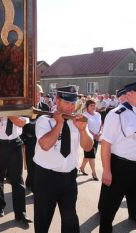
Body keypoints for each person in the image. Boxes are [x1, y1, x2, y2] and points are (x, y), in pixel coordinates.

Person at [33, 85, 93, 233]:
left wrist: (83, 130)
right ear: (58, 100)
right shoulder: (44, 120)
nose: (70, 107)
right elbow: (45, 145)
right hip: (46, 178)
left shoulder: (77, 121)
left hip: (69, 178)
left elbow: (88, 147)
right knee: (43, 219)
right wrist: (59, 123)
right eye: (67, 103)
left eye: (73, 103)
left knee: (70, 220)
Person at [99, 82, 136, 233]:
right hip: (120, 167)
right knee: (109, 209)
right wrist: (106, 170)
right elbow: (106, 144)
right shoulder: (116, 114)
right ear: (130, 94)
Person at [0, 110, 31, 227]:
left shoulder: (19, 105)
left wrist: (10, 113)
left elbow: (21, 122)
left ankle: (21, 213)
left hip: (15, 144)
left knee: (17, 180)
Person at [22, 84, 49, 192]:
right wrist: (23, 140)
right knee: (30, 163)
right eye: (35, 94)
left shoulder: (45, 107)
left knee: (40, 163)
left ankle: (31, 182)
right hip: (30, 140)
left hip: (42, 140)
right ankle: (33, 186)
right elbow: (23, 125)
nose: (38, 96)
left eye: (40, 94)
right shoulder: (26, 107)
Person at [79, 99, 102, 180]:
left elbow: (100, 125)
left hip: (96, 137)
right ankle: (94, 173)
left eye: (94, 105)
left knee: (89, 155)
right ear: (87, 106)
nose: (93, 107)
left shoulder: (98, 114)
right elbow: (85, 127)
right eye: (91, 105)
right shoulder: (84, 115)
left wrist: (99, 133)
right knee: (91, 155)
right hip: (87, 138)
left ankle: (82, 167)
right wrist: (93, 135)